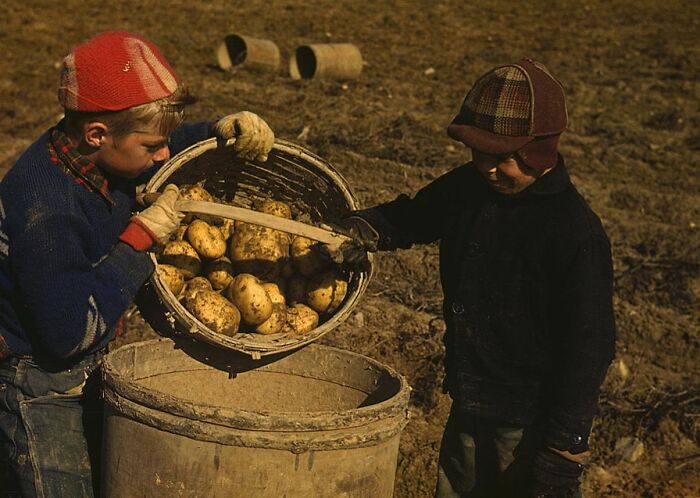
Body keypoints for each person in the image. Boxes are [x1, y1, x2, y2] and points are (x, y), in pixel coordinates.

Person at [0, 31, 275, 497]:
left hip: (82, 362)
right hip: (37, 380)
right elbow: (69, 336)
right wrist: (139, 241)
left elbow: (147, 144)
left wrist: (215, 132)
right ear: (96, 134)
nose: (164, 156)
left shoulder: (98, 153)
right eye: (154, 147)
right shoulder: (46, 207)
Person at [328, 58, 616, 497]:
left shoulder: (574, 234)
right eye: (477, 154)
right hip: (471, 402)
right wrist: (372, 226)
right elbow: (417, 214)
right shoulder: (470, 188)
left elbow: (589, 349)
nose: (488, 168)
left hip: (529, 423)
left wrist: (564, 452)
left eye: (501, 158)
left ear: (539, 152)